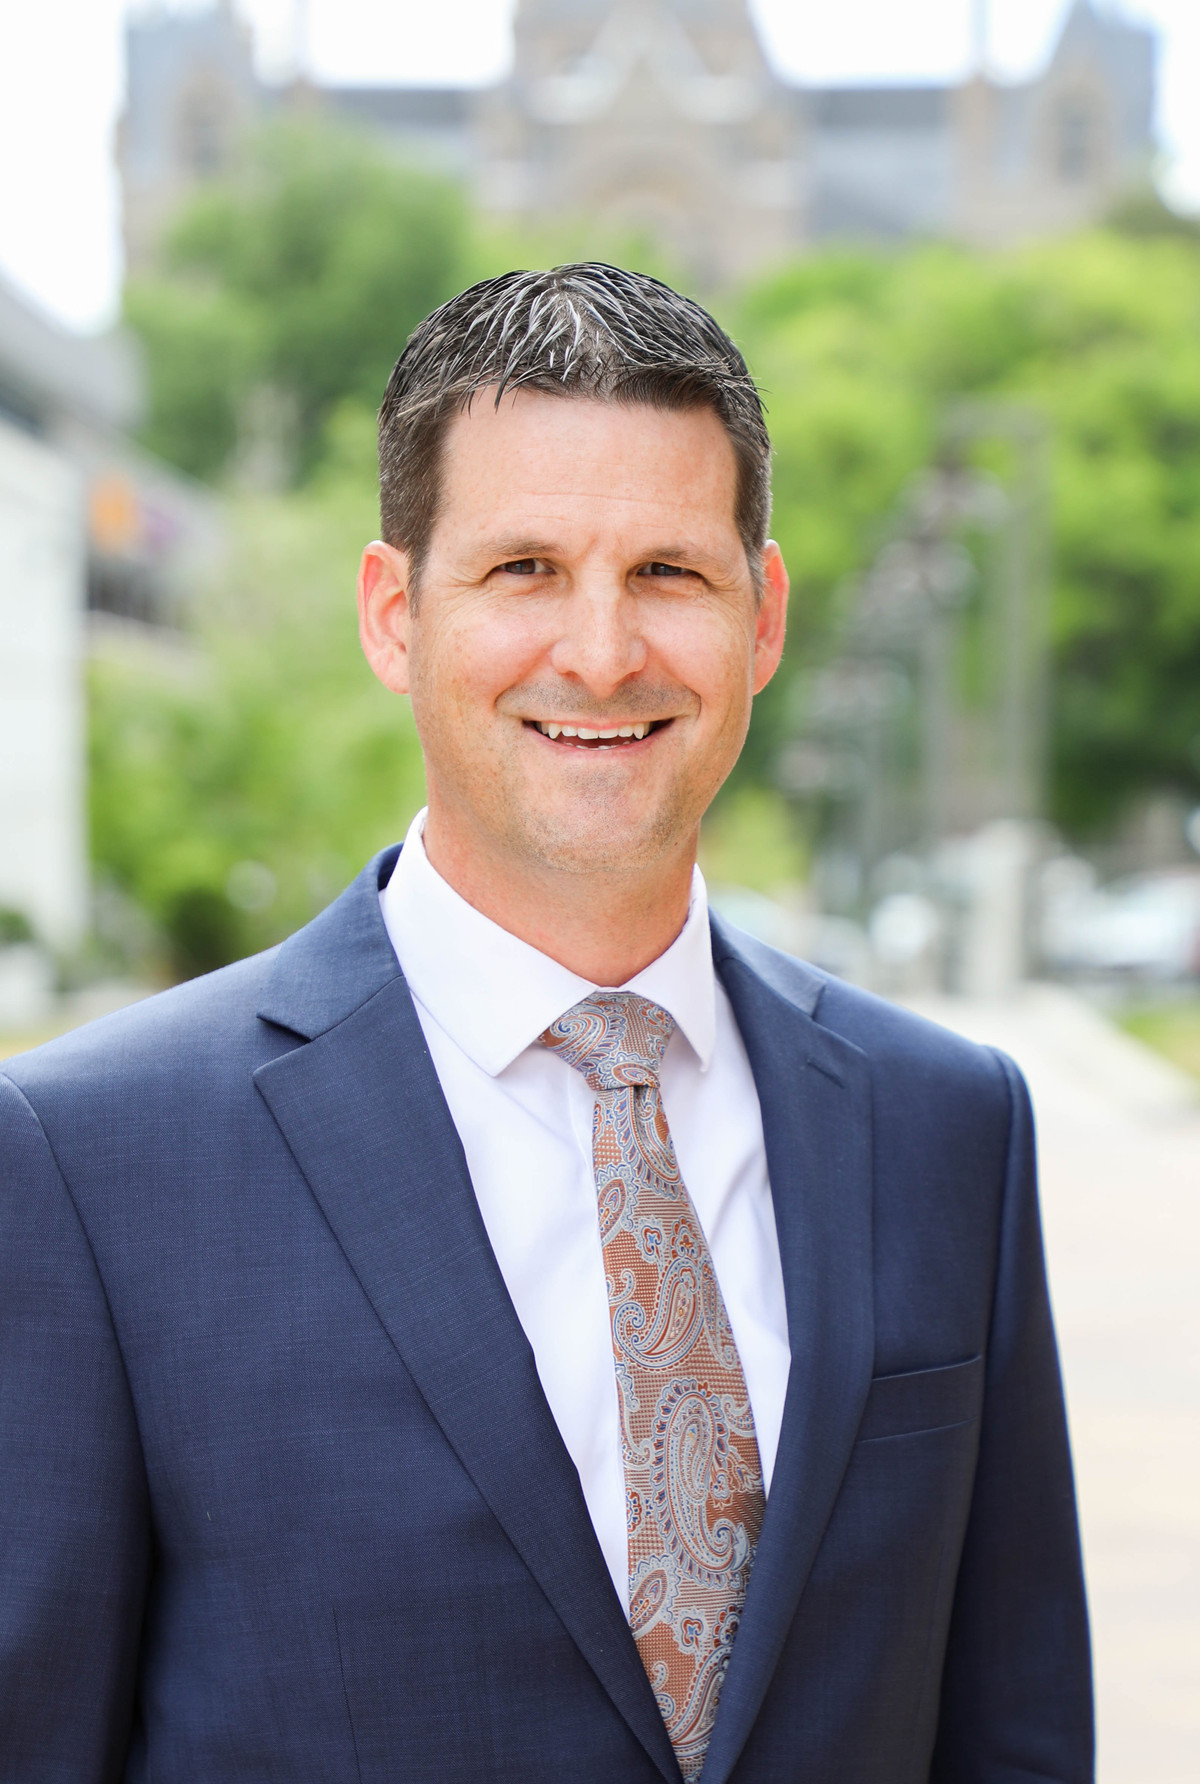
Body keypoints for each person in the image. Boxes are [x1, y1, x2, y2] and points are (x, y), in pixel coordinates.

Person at [0, 264, 1091, 1783]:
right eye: (524, 568)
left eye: (669, 573)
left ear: (762, 619)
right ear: (396, 615)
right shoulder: (87, 1162)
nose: (601, 650)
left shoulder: (949, 1126)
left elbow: (1016, 1730)